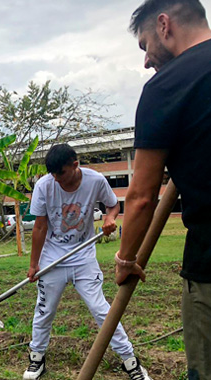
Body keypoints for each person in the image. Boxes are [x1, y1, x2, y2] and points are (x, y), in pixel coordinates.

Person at [117, 1, 211, 379]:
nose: (145, 62)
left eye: (144, 46)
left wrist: (125, 259)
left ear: (163, 25)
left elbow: (141, 196)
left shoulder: (166, 87)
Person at [23, 144, 151, 380]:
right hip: (53, 258)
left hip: (83, 257)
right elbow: (40, 226)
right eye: (53, 174)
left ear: (75, 165)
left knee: (102, 310)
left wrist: (110, 218)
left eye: (60, 173)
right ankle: (37, 359)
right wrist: (34, 265)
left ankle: (130, 361)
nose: (56, 179)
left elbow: (114, 205)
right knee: (44, 310)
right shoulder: (44, 185)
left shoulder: (95, 181)